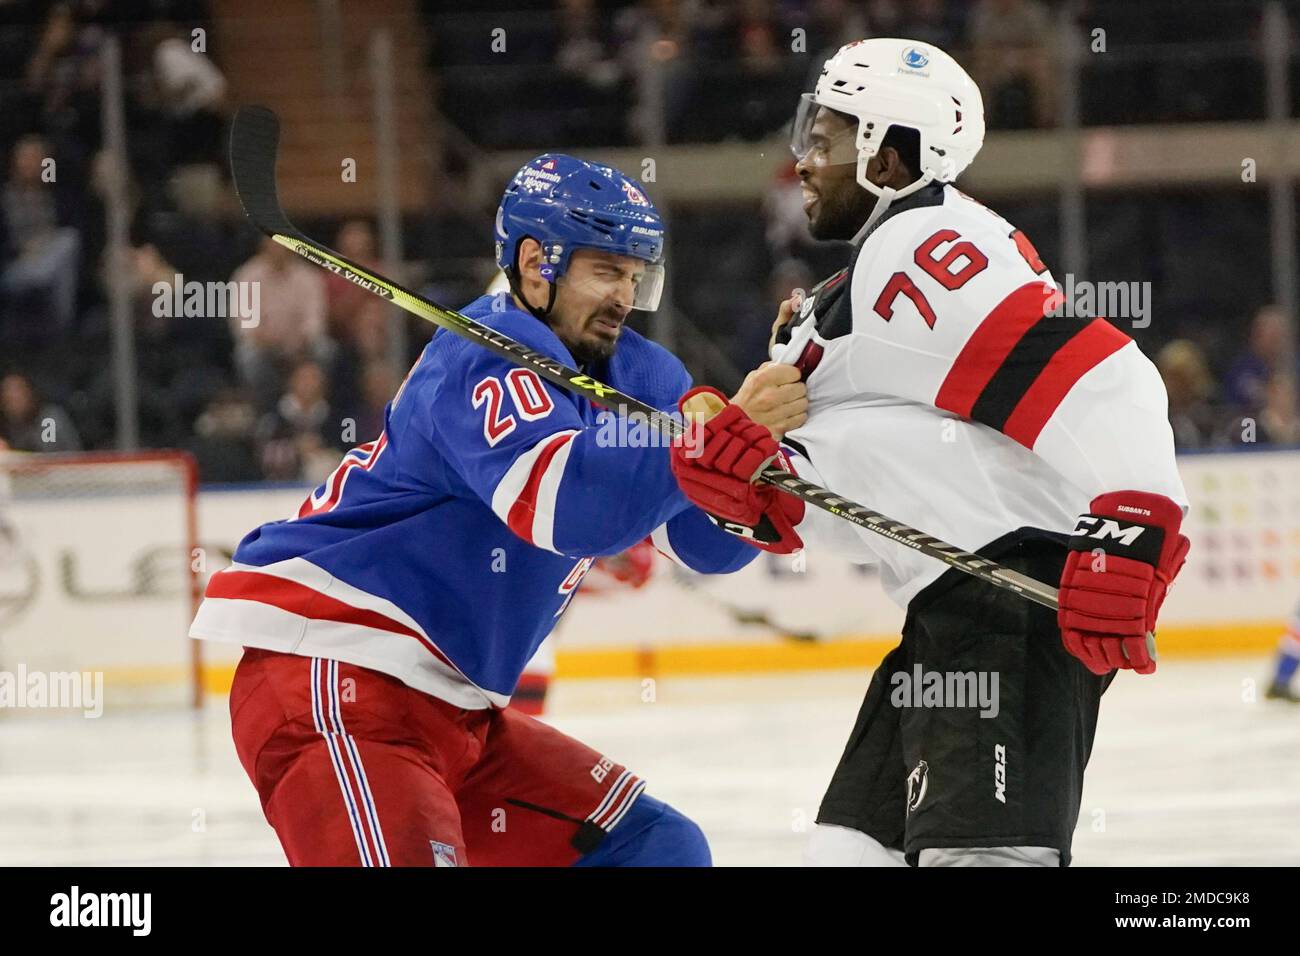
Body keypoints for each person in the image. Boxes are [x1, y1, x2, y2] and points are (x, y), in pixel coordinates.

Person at [189, 154, 806, 866]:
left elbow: (708, 549)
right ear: (537, 262)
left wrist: (748, 471)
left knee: (653, 850)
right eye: (606, 271)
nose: (624, 296)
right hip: (338, 677)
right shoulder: (478, 357)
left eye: (636, 276)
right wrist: (706, 445)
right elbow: (570, 509)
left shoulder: (646, 375)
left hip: (458, 714)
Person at [668, 38, 1190, 867]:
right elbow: (883, 481)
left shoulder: (924, 245)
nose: (804, 160)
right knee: (846, 856)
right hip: (948, 612)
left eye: (829, 137)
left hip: (1008, 601)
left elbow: (1101, 372)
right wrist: (766, 488)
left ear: (890, 152)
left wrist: (1135, 525)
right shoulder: (848, 296)